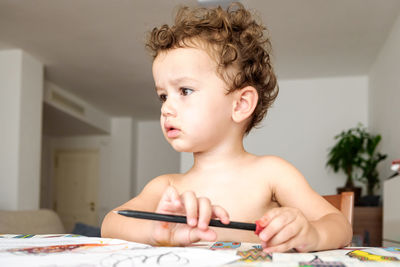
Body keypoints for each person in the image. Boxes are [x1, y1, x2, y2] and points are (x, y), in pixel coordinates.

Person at [101, 2, 352, 253]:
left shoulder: (272, 173)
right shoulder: (167, 186)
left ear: (241, 104)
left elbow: (339, 224)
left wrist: (313, 233)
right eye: (163, 96)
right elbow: (111, 223)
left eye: (185, 90)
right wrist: (156, 233)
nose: (166, 108)